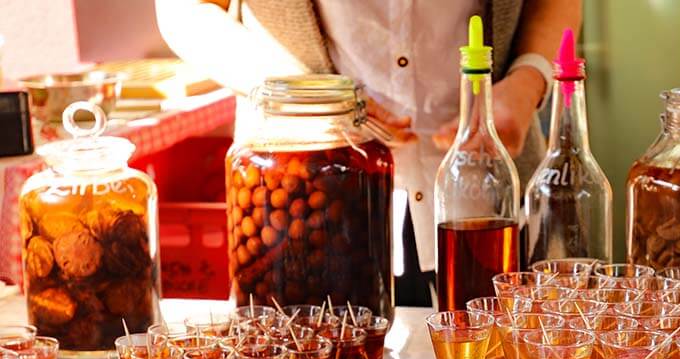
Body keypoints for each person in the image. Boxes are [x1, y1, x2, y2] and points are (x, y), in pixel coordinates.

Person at [156, 0, 580, 306]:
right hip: (305, 197)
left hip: (492, 203)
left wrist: (529, 82)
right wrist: (312, 98)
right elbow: (183, 10)